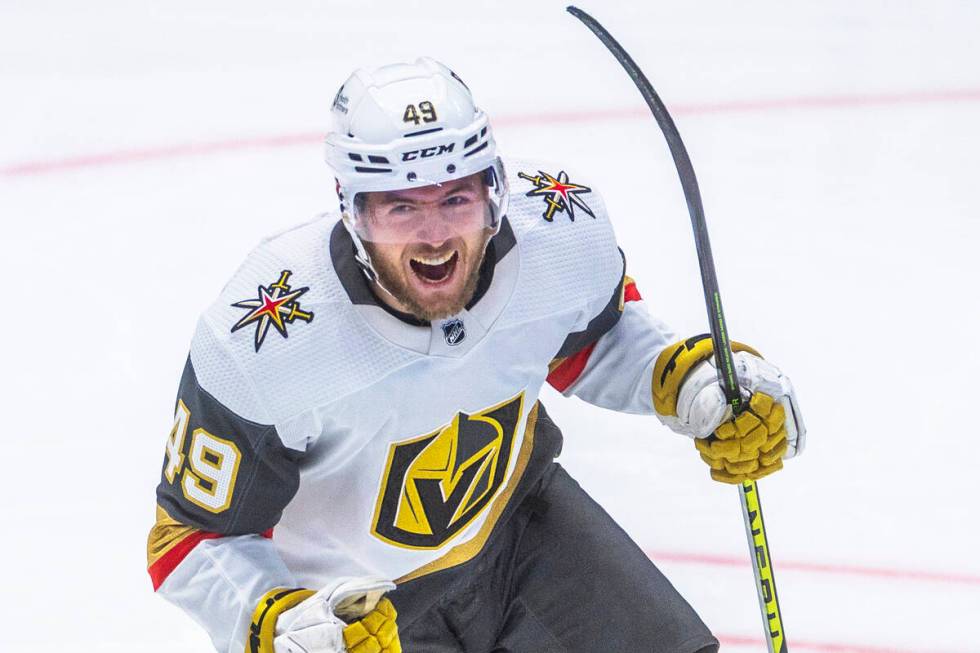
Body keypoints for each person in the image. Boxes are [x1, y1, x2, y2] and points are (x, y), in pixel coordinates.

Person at [147, 57, 805, 653]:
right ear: (352, 211)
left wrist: (686, 377)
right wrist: (277, 620)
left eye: (456, 197)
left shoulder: (556, 233)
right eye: (400, 206)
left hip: (524, 534)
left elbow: (591, 341)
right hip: (359, 617)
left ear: (494, 188)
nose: (435, 235)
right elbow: (190, 537)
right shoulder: (270, 337)